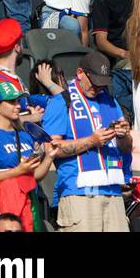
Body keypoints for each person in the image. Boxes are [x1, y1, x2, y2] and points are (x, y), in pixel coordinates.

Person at [39, 52, 133, 232]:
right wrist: (91, 141)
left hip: (112, 192)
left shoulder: (110, 101)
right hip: (79, 193)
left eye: (102, 83)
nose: (98, 88)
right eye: (94, 82)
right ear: (80, 73)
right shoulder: (62, 101)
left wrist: (123, 135)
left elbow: (126, 148)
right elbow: (51, 148)